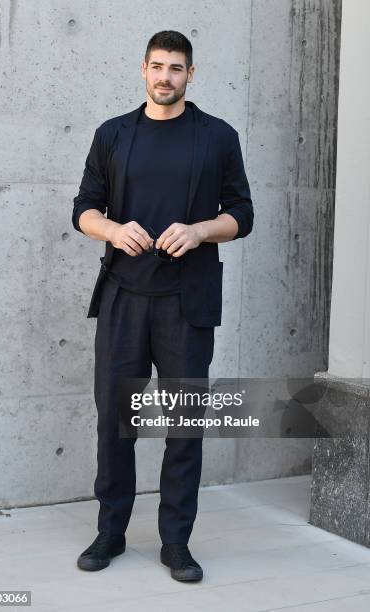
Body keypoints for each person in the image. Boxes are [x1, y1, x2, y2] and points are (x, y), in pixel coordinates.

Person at [72, 30, 254, 582]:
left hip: (187, 303)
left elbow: (242, 214)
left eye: (176, 68)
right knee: (115, 423)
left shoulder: (217, 137)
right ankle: (111, 531)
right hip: (125, 297)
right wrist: (111, 227)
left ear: (190, 75)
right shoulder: (113, 134)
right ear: (143, 70)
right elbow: (84, 208)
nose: (165, 76)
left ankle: (176, 541)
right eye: (157, 66)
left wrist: (200, 230)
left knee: (185, 426)